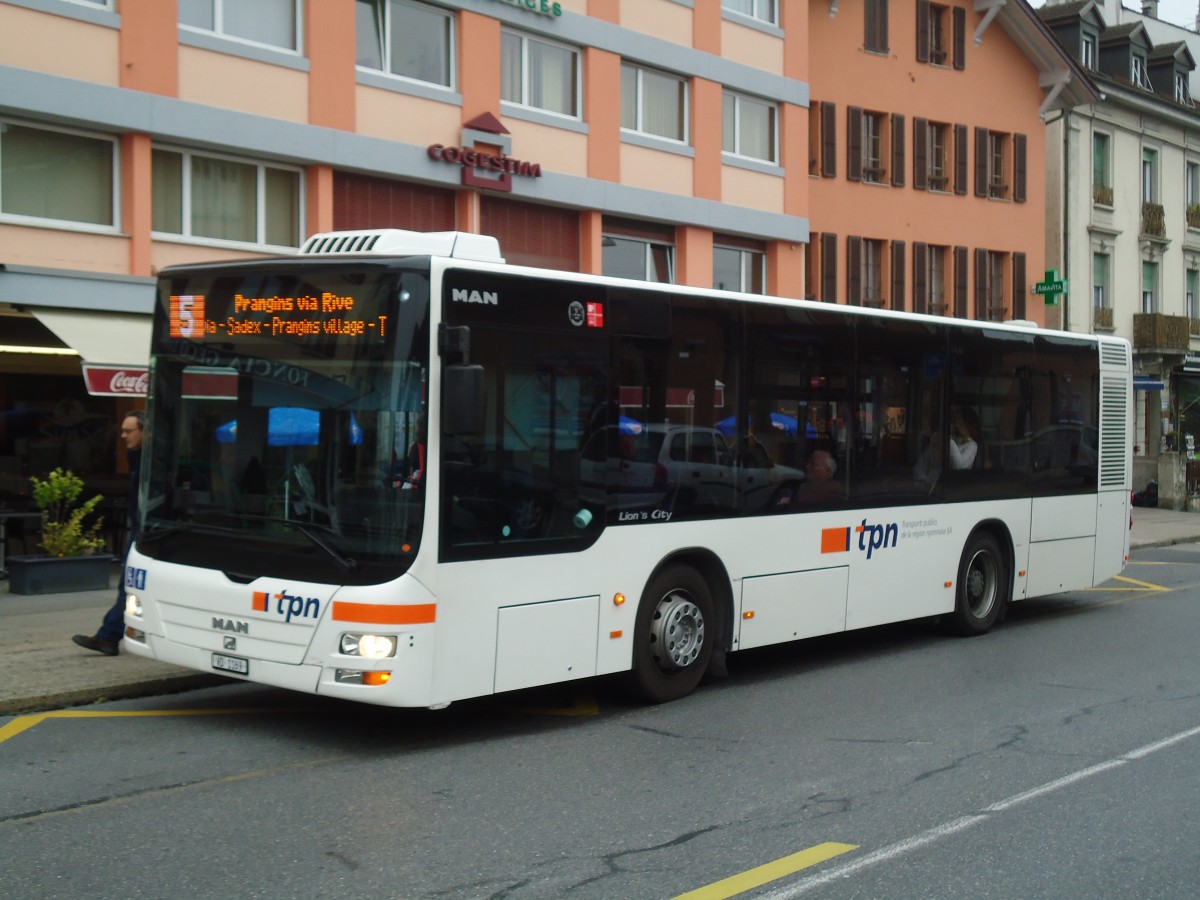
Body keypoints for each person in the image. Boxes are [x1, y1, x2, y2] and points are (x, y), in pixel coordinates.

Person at [72, 410, 143, 656]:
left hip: (145, 533)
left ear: (144, 432)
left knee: (129, 585)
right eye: (122, 430)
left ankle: (109, 637)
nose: (122, 436)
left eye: (128, 431)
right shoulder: (136, 457)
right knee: (130, 586)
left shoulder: (149, 461)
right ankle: (109, 636)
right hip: (139, 529)